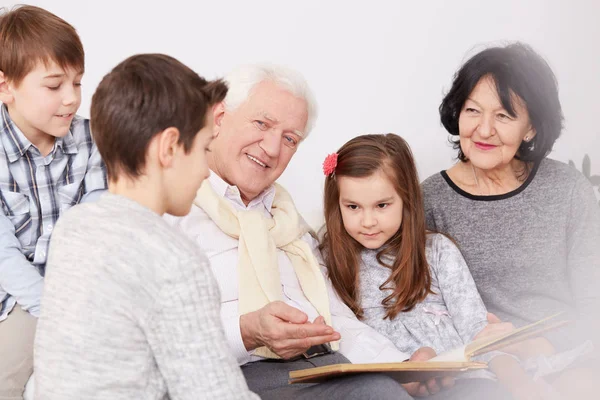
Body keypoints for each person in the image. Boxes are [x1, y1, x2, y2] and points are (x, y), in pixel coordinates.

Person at [164, 64, 453, 400]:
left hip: (327, 369)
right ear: (218, 118)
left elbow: (335, 321)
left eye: (290, 139)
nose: (272, 148)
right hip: (233, 376)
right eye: (262, 123)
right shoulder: (170, 211)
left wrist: (404, 368)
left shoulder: (290, 226)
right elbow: (153, 335)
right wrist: (246, 331)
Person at [33, 54, 258, 399]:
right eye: (203, 148)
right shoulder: (173, 258)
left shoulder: (74, 227)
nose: (203, 170)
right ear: (168, 147)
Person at [422, 42, 600, 398]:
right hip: (482, 368)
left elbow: (593, 303)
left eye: (503, 116)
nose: (484, 130)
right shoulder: (429, 200)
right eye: (473, 110)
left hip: (568, 354)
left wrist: (535, 346)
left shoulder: (566, 190)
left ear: (531, 127)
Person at [0, 5, 106, 398]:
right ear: (5, 86)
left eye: (77, 83)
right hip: (19, 297)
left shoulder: (93, 142)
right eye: (54, 85)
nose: (72, 98)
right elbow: (5, 258)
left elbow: (94, 233)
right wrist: (54, 312)